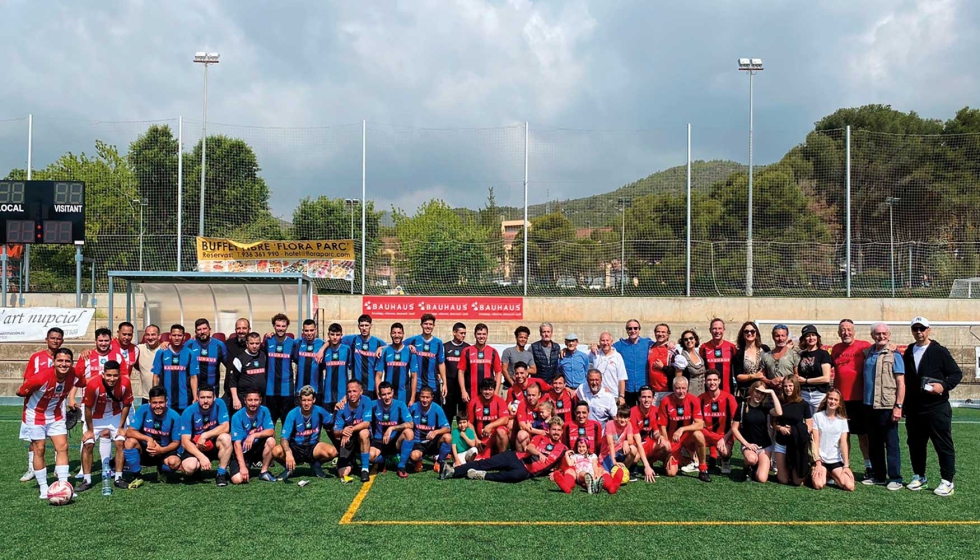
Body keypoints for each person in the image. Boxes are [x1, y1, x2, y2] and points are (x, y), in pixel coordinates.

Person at [902, 316, 961, 497]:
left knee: (942, 444)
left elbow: (956, 373)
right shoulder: (910, 350)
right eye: (915, 329)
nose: (919, 332)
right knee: (915, 444)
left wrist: (943, 386)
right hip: (914, 409)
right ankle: (919, 476)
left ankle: (947, 480)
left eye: (922, 329)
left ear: (929, 330)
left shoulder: (939, 351)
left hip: (937, 407)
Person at [18, 348, 82, 499]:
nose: (64, 364)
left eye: (67, 361)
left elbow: (84, 381)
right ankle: (43, 488)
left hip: (56, 415)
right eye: (60, 360)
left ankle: (63, 486)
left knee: (63, 447)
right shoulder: (41, 377)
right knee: (39, 449)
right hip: (35, 415)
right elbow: (21, 391)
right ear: (54, 362)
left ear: (71, 363)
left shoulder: (73, 374)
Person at [440, 416, 567, 483]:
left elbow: (566, 464)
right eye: (553, 429)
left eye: (558, 430)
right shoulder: (540, 437)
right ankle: (452, 471)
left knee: (514, 477)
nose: (556, 432)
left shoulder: (563, 449)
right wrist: (539, 454)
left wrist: (559, 471)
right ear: (549, 430)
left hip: (526, 471)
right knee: (485, 463)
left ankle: (483, 476)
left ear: (562, 431)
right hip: (516, 457)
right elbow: (529, 447)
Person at [862, 323, 906, 490]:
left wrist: (898, 406)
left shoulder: (895, 354)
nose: (880, 336)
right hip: (869, 404)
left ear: (889, 335)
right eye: (877, 333)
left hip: (887, 405)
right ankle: (879, 475)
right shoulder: (867, 353)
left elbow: (901, 382)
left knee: (891, 443)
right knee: (874, 443)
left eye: (883, 333)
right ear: (872, 335)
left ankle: (895, 478)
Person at [78, 360, 133, 492]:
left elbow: (126, 405)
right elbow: (88, 408)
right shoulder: (93, 384)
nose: (112, 379)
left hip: (114, 415)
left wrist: (121, 427)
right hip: (95, 416)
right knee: (88, 443)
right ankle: (87, 479)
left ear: (119, 374)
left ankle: (118, 477)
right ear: (103, 374)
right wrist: (90, 430)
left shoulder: (125, 383)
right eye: (109, 375)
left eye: (115, 375)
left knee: (120, 442)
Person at [19, 327, 64, 483]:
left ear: (62, 341)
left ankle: (59, 470)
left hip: (56, 403)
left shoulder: (64, 357)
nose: (55, 341)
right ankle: (32, 468)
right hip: (36, 405)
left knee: (60, 439)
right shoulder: (36, 358)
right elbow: (27, 381)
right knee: (35, 441)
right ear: (47, 340)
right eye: (52, 338)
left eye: (58, 338)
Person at [830, 319, 873, 481]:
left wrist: (892, 346)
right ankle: (843, 465)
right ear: (838, 332)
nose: (846, 333)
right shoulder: (835, 349)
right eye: (842, 330)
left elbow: (881, 349)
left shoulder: (864, 347)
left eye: (848, 330)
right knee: (842, 435)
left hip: (860, 399)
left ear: (854, 331)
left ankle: (869, 466)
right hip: (841, 401)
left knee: (863, 435)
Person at [273, 385, 337, 481]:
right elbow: (284, 438)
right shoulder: (292, 414)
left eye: (309, 400)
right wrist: (288, 452)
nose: (306, 403)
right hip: (295, 448)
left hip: (313, 448)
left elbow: (332, 421)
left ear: (314, 400)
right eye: (304, 400)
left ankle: (316, 465)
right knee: (276, 451)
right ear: (300, 400)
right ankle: (289, 468)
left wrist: (337, 410)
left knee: (332, 452)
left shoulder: (320, 411)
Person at [122, 386, 183, 487]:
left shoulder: (174, 416)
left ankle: (162, 469)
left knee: (175, 462)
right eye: (154, 403)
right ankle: (137, 475)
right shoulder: (143, 410)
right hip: (146, 450)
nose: (158, 406)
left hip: (165, 451)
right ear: (149, 402)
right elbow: (129, 432)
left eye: (161, 402)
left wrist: (162, 450)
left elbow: (176, 442)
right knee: (129, 442)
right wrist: (148, 439)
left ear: (166, 401)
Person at [178, 385, 232, 486]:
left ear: (214, 397)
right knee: (189, 468)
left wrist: (205, 435)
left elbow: (225, 427)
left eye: (209, 397)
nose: (205, 401)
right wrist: (202, 457)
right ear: (197, 397)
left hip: (213, 443)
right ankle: (196, 469)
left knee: (226, 438)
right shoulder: (188, 412)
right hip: (196, 446)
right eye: (202, 398)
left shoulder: (220, 404)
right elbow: (185, 442)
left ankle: (221, 474)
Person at [658, 376, 711, 482]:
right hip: (673, 439)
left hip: (687, 436)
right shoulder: (666, 401)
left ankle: (703, 469)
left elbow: (700, 424)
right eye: (678, 388)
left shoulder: (693, 400)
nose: (681, 391)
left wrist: (682, 429)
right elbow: (662, 426)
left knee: (698, 434)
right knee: (671, 473)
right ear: (673, 388)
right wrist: (667, 444)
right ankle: (684, 458)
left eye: (683, 388)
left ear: (687, 388)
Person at [731, 381, 782, 482]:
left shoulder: (765, 406)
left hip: (764, 446)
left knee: (761, 478)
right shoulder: (742, 406)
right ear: (752, 391)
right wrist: (746, 444)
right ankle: (747, 467)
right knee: (751, 459)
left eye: (762, 393)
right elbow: (734, 428)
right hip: (749, 445)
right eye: (757, 391)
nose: (759, 395)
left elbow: (779, 412)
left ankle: (755, 467)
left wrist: (771, 392)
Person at [229, 388, 278, 484]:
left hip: (258, 447)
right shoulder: (237, 416)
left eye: (256, 400)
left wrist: (254, 435)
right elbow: (237, 444)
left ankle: (264, 471)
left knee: (271, 441)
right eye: (250, 400)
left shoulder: (264, 411)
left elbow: (271, 431)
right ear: (245, 401)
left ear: (260, 400)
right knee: (238, 480)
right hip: (243, 449)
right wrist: (242, 467)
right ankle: (236, 465)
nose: (253, 403)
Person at [368, 381, 415, 478]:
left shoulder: (400, 405)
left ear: (393, 392)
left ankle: (401, 466)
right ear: (379, 395)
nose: (387, 397)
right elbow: (358, 403)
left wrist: (392, 428)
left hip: (394, 441)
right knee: (369, 456)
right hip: (378, 441)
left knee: (409, 432)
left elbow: (411, 424)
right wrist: (343, 401)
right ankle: (383, 460)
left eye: (389, 393)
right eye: (384, 394)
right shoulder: (373, 404)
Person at [811, 389, 855, 491]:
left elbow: (844, 443)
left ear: (839, 403)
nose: (832, 401)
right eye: (830, 398)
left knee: (850, 486)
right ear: (826, 399)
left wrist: (846, 465)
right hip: (820, 459)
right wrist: (817, 462)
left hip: (835, 460)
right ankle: (823, 472)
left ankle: (831, 474)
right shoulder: (817, 416)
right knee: (818, 485)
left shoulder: (842, 420)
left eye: (836, 400)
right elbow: (815, 441)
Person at [772, 375, 813, 486]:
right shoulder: (779, 402)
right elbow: (774, 423)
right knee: (783, 480)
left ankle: (802, 470)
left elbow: (809, 426)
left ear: (796, 387)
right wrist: (781, 428)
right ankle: (785, 471)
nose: (788, 388)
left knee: (797, 482)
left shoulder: (803, 404)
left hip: (796, 444)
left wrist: (794, 430)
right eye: (785, 386)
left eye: (790, 386)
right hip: (782, 443)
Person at [333, 380, 374, 483]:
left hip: (361, 436)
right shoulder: (342, 406)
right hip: (348, 438)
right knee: (342, 474)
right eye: (349, 391)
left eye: (354, 391)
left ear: (361, 392)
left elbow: (366, 423)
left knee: (364, 432)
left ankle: (365, 469)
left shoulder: (366, 401)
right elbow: (336, 431)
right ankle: (352, 462)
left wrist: (350, 430)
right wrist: (343, 432)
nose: (352, 394)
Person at [151, 324, 196, 415]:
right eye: (174, 335)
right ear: (170, 336)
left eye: (179, 335)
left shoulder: (190, 353)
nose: (177, 338)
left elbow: (193, 377)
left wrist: (195, 397)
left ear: (184, 337)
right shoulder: (161, 353)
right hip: (166, 401)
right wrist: (155, 395)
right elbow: (156, 376)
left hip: (185, 401)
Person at [699, 369, 738, 474]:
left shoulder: (729, 398)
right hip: (707, 434)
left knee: (724, 452)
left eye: (715, 380)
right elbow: (696, 421)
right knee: (693, 435)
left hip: (723, 435)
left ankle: (725, 460)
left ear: (719, 381)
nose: (712, 382)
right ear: (705, 382)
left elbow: (736, 423)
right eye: (709, 380)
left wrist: (724, 438)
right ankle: (695, 461)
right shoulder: (700, 399)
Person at [339, 314, 386, 398]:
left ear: (371, 326)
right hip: (356, 388)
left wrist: (381, 348)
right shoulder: (352, 339)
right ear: (358, 326)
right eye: (362, 325)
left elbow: (392, 346)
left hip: (372, 387)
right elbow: (334, 339)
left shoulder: (378, 342)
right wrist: (322, 350)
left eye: (366, 325)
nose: (364, 328)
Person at [408, 385, 452, 472]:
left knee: (448, 437)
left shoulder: (437, 409)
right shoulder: (413, 408)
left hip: (433, 442)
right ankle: (419, 461)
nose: (425, 400)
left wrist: (436, 432)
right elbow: (405, 422)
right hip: (418, 442)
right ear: (419, 396)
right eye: (422, 397)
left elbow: (447, 428)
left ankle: (439, 462)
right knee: (414, 456)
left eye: (427, 397)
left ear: (432, 397)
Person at [265, 313, 298, 425]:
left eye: (283, 326)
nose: (280, 328)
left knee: (287, 422)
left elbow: (299, 361)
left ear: (287, 326)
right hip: (270, 389)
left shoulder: (293, 344)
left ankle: (285, 443)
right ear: (274, 326)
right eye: (278, 326)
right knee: (270, 423)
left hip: (287, 390)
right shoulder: (267, 341)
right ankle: (271, 443)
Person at [405, 314, 446, 402]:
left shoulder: (438, 342)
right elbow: (395, 346)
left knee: (432, 412)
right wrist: (381, 348)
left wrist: (445, 384)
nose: (428, 326)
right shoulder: (413, 340)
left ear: (434, 326)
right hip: (416, 385)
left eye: (430, 324)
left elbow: (441, 363)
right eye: (426, 324)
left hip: (433, 385)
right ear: (421, 325)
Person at [457, 323, 502, 405]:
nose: (481, 336)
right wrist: (463, 391)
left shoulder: (493, 352)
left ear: (487, 335)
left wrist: (496, 392)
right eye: (479, 334)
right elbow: (461, 372)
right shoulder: (466, 351)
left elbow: (498, 373)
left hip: (488, 394)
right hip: (470, 393)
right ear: (475, 335)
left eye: (484, 334)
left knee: (487, 416)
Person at [467, 378, 511, 458]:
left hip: (495, 437)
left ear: (494, 390)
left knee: (501, 431)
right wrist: (476, 440)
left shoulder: (499, 401)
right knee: (477, 460)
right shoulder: (473, 402)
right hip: (481, 439)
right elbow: (469, 423)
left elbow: (505, 419)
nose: (488, 392)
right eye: (485, 389)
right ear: (480, 390)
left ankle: (502, 457)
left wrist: (490, 426)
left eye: (490, 390)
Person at [613, 319, 653, 407]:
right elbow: (606, 346)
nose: (633, 331)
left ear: (639, 329)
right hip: (628, 388)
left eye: (635, 328)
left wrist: (670, 343)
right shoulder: (620, 345)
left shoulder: (648, 343)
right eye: (630, 328)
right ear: (626, 330)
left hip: (644, 386)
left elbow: (660, 344)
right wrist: (595, 346)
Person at [376, 323, 418, 406]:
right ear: (390, 334)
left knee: (404, 418)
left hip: (404, 393)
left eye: (399, 333)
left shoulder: (410, 352)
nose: (396, 335)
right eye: (394, 333)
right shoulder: (384, 351)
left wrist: (412, 398)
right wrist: (379, 395)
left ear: (403, 334)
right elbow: (378, 376)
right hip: (387, 394)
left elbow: (414, 377)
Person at [630, 386, 666, 483]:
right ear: (639, 398)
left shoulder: (655, 410)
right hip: (634, 444)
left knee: (664, 445)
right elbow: (637, 442)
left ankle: (652, 463)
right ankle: (632, 468)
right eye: (644, 397)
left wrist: (659, 436)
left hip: (646, 442)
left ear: (653, 398)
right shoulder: (633, 412)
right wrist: (646, 467)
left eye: (649, 397)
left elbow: (656, 431)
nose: (646, 400)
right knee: (635, 456)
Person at [796, 325, 834, 414]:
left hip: (819, 394)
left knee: (819, 422)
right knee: (806, 422)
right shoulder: (800, 355)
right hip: (804, 394)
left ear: (817, 337)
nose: (811, 338)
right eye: (808, 336)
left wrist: (806, 381)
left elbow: (826, 378)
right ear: (804, 339)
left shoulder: (823, 354)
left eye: (813, 335)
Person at [185, 318, 228, 398]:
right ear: (195, 332)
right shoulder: (189, 345)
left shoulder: (219, 346)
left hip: (213, 390)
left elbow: (229, 367)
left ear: (210, 330)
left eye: (204, 329)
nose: (202, 332)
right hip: (192, 391)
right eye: (199, 330)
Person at [228, 332, 267, 412]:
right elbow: (233, 381)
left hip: (260, 398)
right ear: (247, 343)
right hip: (244, 399)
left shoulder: (263, 355)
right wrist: (235, 399)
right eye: (252, 343)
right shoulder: (239, 359)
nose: (254, 346)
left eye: (257, 343)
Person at [732, 321, 770, 402]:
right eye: (746, 331)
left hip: (764, 391)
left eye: (752, 331)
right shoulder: (739, 353)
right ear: (742, 334)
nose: (749, 333)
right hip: (747, 392)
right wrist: (754, 376)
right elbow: (738, 376)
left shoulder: (765, 349)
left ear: (756, 333)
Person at [700, 318, 738, 396]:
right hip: (709, 393)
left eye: (720, 328)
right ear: (710, 330)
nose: (717, 331)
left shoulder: (731, 347)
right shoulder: (704, 347)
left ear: (724, 329)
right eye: (714, 329)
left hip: (728, 392)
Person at [442, 322, 469, 426]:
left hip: (462, 387)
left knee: (463, 415)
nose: (463, 335)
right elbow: (440, 365)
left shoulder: (467, 348)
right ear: (454, 332)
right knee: (448, 414)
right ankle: (448, 436)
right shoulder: (445, 347)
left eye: (464, 333)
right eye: (461, 333)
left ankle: (462, 437)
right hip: (449, 387)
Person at [292, 320, 326, 404]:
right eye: (306, 330)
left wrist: (322, 349)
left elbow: (332, 342)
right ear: (303, 331)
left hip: (317, 391)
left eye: (311, 330)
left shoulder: (322, 344)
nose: (309, 333)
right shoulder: (298, 343)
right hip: (300, 390)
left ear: (316, 330)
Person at [321, 323, 353, 412]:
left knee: (343, 423)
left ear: (341, 336)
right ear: (328, 335)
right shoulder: (324, 350)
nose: (335, 337)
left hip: (343, 395)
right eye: (332, 334)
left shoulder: (347, 349)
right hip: (327, 395)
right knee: (328, 424)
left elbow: (351, 369)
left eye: (337, 335)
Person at [600, 406, 640, 475]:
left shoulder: (628, 424)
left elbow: (630, 440)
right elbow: (610, 444)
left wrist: (626, 441)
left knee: (634, 452)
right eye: (621, 417)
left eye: (625, 418)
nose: (623, 420)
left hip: (619, 452)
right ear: (616, 417)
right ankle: (618, 470)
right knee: (608, 474)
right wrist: (614, 461)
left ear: (629, 419)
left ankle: (624, 471)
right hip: (608, 454)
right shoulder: (609, 424)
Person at [591, 332, 627, 407]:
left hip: (613, 396)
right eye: (603, 340)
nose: (605, 343)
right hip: (598, 395)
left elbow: (621, 378)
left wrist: (622, 396)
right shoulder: (595, 354)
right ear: (599, 342)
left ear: (612, 342)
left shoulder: (617, 356)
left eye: (607, 340)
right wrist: (564, 350)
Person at [223, 319, 251, 407]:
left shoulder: (255, 346)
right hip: (229, 393)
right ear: (235, 330)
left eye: (244, 328)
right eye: (238, 328)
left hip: (248, 394)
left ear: (249, 329)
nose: (241, 331)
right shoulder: (227, 345)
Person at [133, 324, 162, 405]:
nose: (150, 337)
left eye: (153, 334)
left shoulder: (165, 349)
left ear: (159, 336)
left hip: (163, 397)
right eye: (147, 335)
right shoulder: (139, 349)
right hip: (147, 397)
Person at [646, 323, 674, 399]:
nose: (660, 334)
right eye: (658, 332)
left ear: (668, 335)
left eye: (663, 332)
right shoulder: (650, 347)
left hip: (667, 391)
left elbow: (677, 372)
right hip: (653, 390)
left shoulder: (672, 350)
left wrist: (663, 367)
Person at [676, 329, 706, 396]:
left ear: (695, 340)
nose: (689, 341)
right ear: (683, 342)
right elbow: (678, 379)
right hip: (690, 393)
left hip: (703, 392)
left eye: (691, 338)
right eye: (686, 339)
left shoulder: (698, 353)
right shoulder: (681, 358)